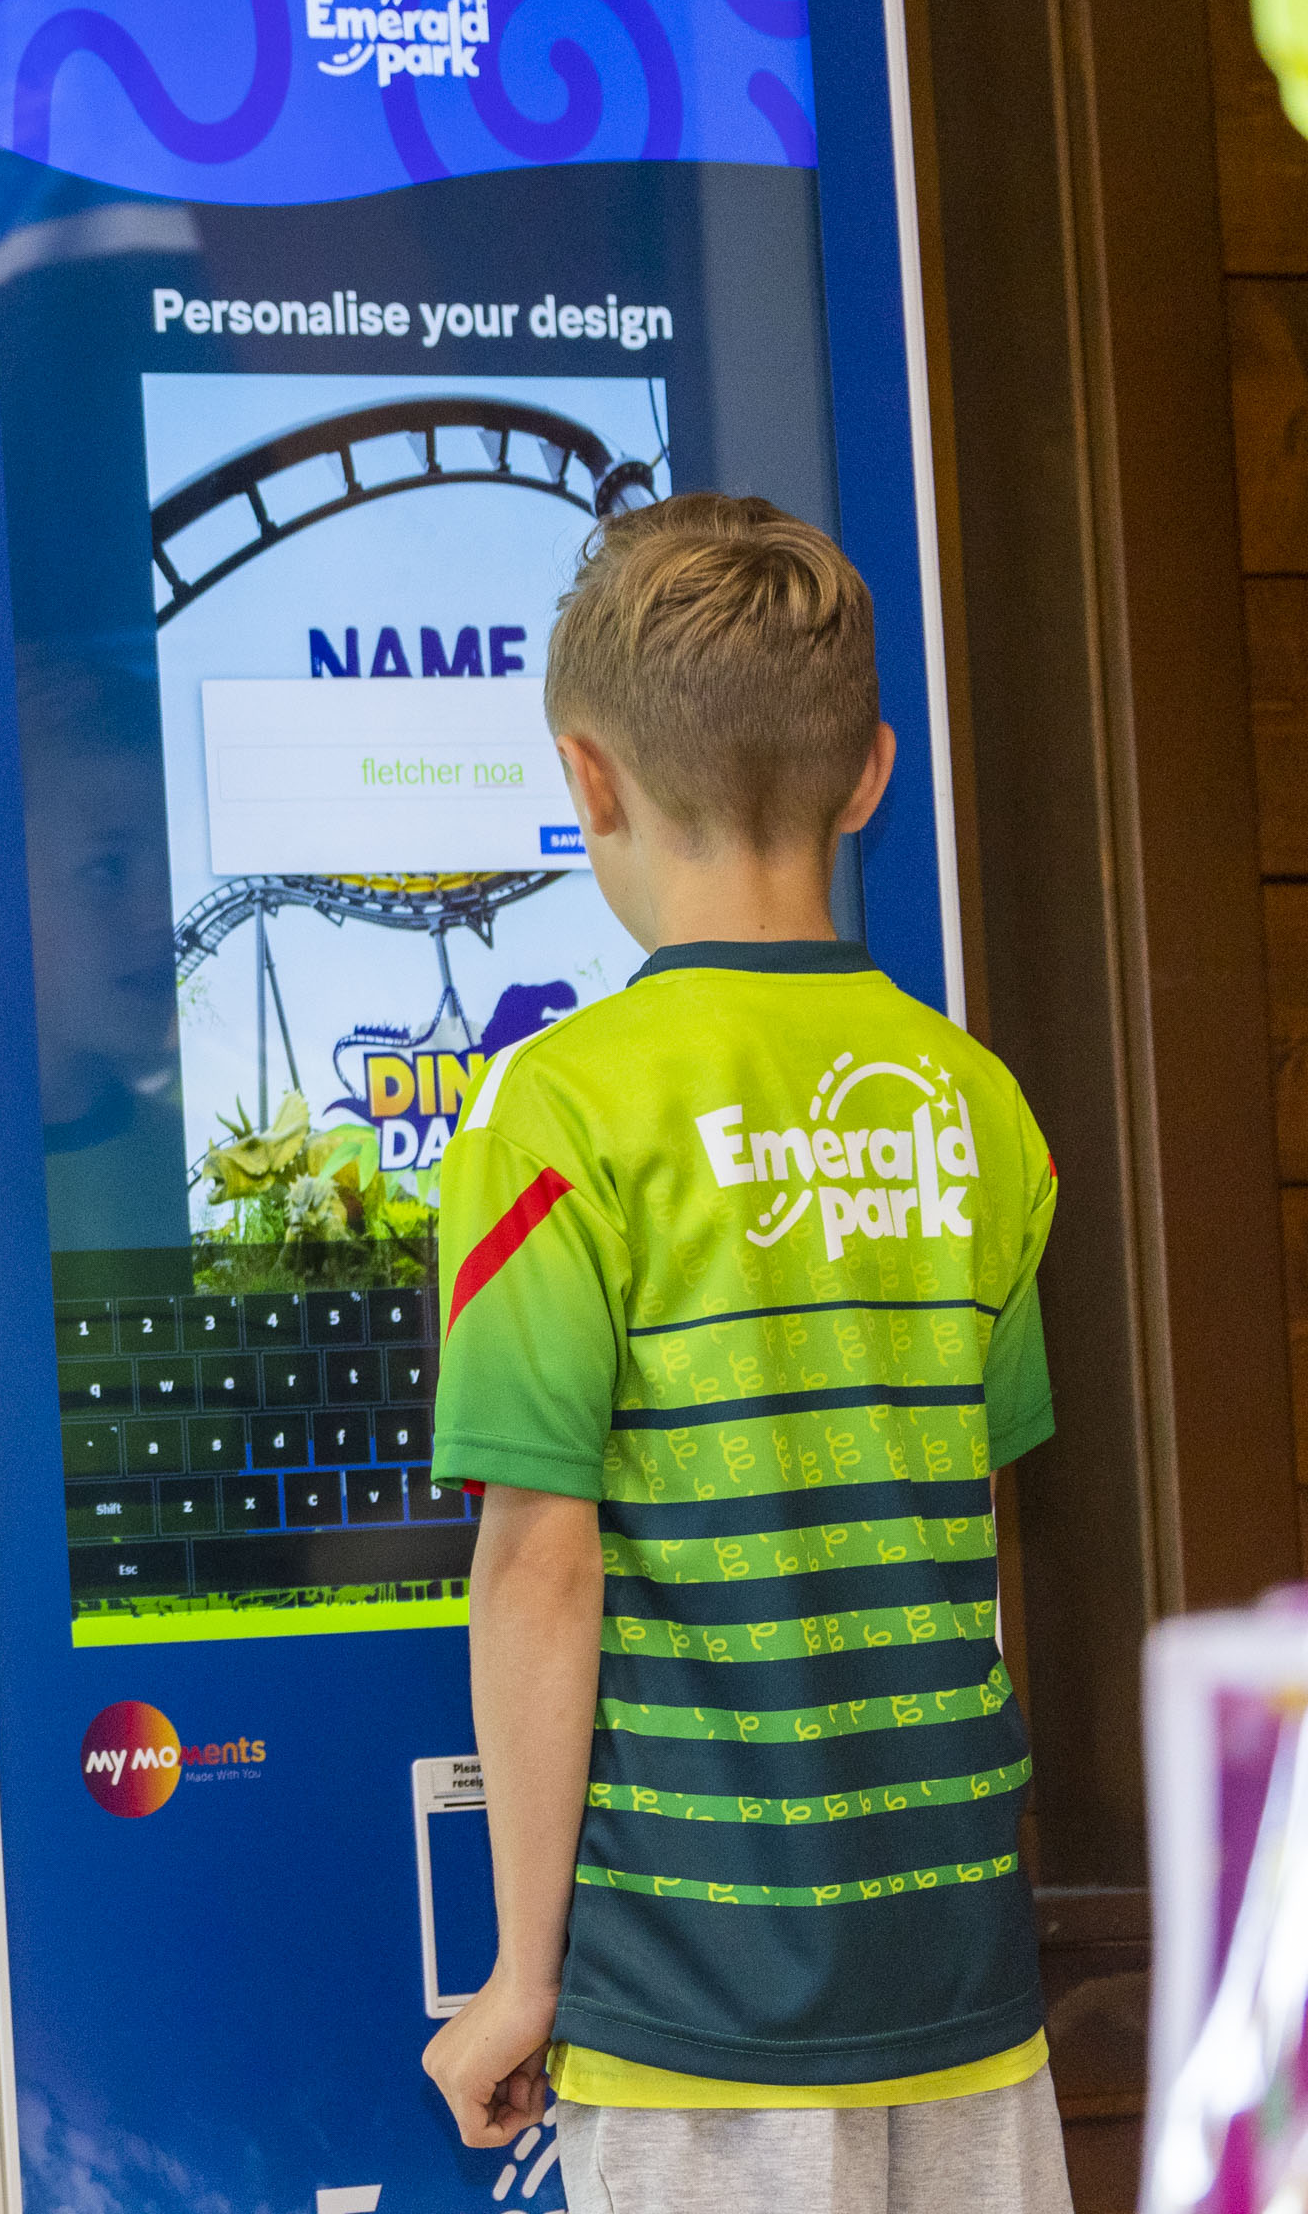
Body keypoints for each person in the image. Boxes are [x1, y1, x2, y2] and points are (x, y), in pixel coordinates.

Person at [418, 494, 1070, 2211]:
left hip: (694, 2003)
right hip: (965, 1974)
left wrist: (521, 1974)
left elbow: (539, 1565)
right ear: (871, 773)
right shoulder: (979, 1105)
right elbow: (979, 1521)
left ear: (591, 780)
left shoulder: (557, 1112)